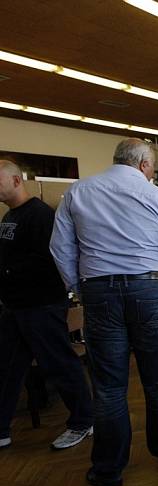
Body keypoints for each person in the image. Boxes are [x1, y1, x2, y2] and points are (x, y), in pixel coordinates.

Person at [50, 138, 158, 486]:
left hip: (98, 291)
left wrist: (79, 286)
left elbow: (60, 248)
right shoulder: (156, 196)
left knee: (109, 386)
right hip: (148, 289)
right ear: (145, 164)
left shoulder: (78, 191)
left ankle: (108, 468)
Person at [0, 160, 93, 451]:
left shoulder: (40, 215)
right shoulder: (9, 216)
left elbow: (48, 262)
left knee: (60, 364)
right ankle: (1, 428)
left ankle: (82, 421)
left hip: (40, 305)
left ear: (16, 180)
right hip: (15, 306)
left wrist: (7, 271)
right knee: (7, 369)